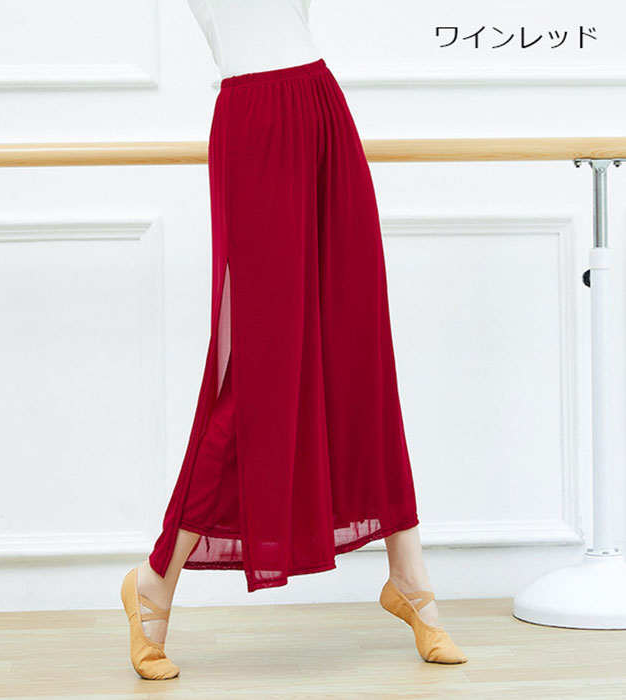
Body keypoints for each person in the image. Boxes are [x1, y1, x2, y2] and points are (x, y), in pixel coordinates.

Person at [120, 0, 467, 680]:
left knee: (359, 352)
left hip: (321, 107)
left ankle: (409, 575)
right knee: (257, 375)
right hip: (256, 123)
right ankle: (155, 579)